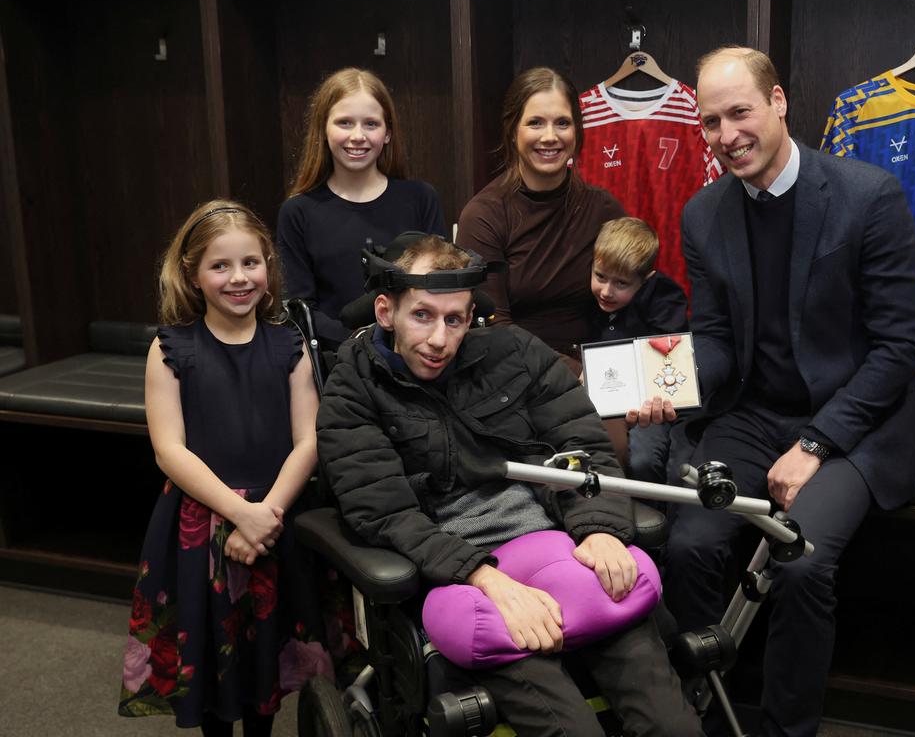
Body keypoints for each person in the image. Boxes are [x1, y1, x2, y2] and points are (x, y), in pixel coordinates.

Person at [317, 235, 703, 737]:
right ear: (386, 311)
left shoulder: (514, 353)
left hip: (560, 543)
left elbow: (585, 447)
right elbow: (384, 513)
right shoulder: (353, 390)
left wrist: (601, 528)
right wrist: (485, 578)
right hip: (461, 574)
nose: (439, 339)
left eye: (453, 319)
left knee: (673, 727)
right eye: (423, 317)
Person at [664, 46, 915, 737]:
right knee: (689, 544)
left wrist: (816, 443)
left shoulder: (867, 196)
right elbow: (717, 339)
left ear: (778, 102)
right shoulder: (703, 214)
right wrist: (674, 382)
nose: (726, 137)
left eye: (740, 113)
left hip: (854, 427)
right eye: (710, 123)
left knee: (801, 562)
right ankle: (693, 716)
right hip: (753, 415)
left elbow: (901, 348)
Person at [119, 201, 329, 735]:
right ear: (193, 273)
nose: (239, 278)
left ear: (268, 268)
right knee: (213, 671)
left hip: (275, 519)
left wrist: (267, 515)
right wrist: (243, 514)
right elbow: (170, 451)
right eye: (220, 266)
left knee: (265, 676)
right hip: (200, 530)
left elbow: (308, 440)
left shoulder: (290, 344)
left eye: (250, 263)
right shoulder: (171, 348)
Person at [456, 67, 625, 367]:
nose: (550, 137)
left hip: (601, 371)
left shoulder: (604, 210)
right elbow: (493, 331)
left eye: (562, 123)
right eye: (535, 123)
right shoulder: (484, 216)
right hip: (515, 376)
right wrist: (575, 376)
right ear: (512, 130)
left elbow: (635, 301)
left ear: (577, 130)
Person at [277, 68, 446, 350]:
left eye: (370, 124)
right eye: (344, 123)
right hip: (336, 362)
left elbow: (440, 286)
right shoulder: (298, 212)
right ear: (323, 129)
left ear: (388, 132)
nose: (358, 136)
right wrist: (359, 341)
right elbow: (300, 309)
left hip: (416, 355)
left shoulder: (421, 198)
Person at [588, 217, 690, 485]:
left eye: (621, 284)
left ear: (646, 280)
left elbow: (670, 366)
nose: (607, 292)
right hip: (605, 401)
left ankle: (655, 519)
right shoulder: (589, 299)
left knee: (643, 460)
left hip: (651, 402)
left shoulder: (666, 302)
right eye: (600, 277)